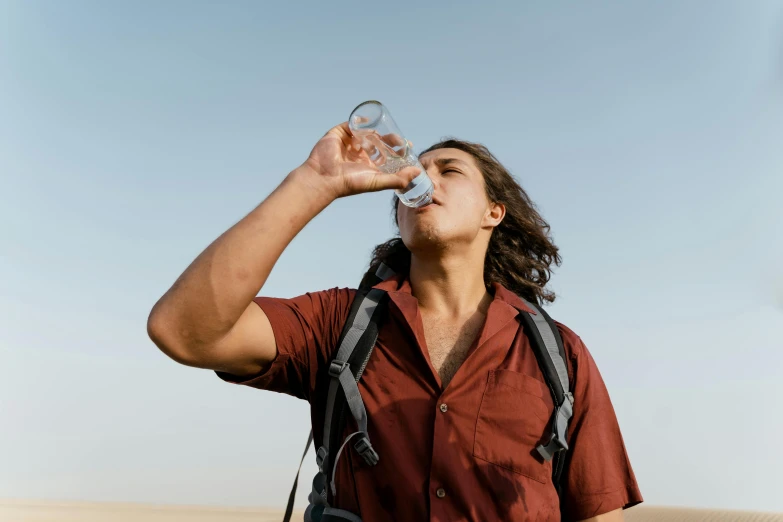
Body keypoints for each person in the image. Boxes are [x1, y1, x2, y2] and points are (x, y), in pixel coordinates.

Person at [147, 122, 643, 521]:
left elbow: (595, 509)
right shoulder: (338, 322)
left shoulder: (559, 353)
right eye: (413, 173)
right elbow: (186, 331)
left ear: (494, 212)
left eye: (449, 170)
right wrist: (313, 183)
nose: (418, 179)